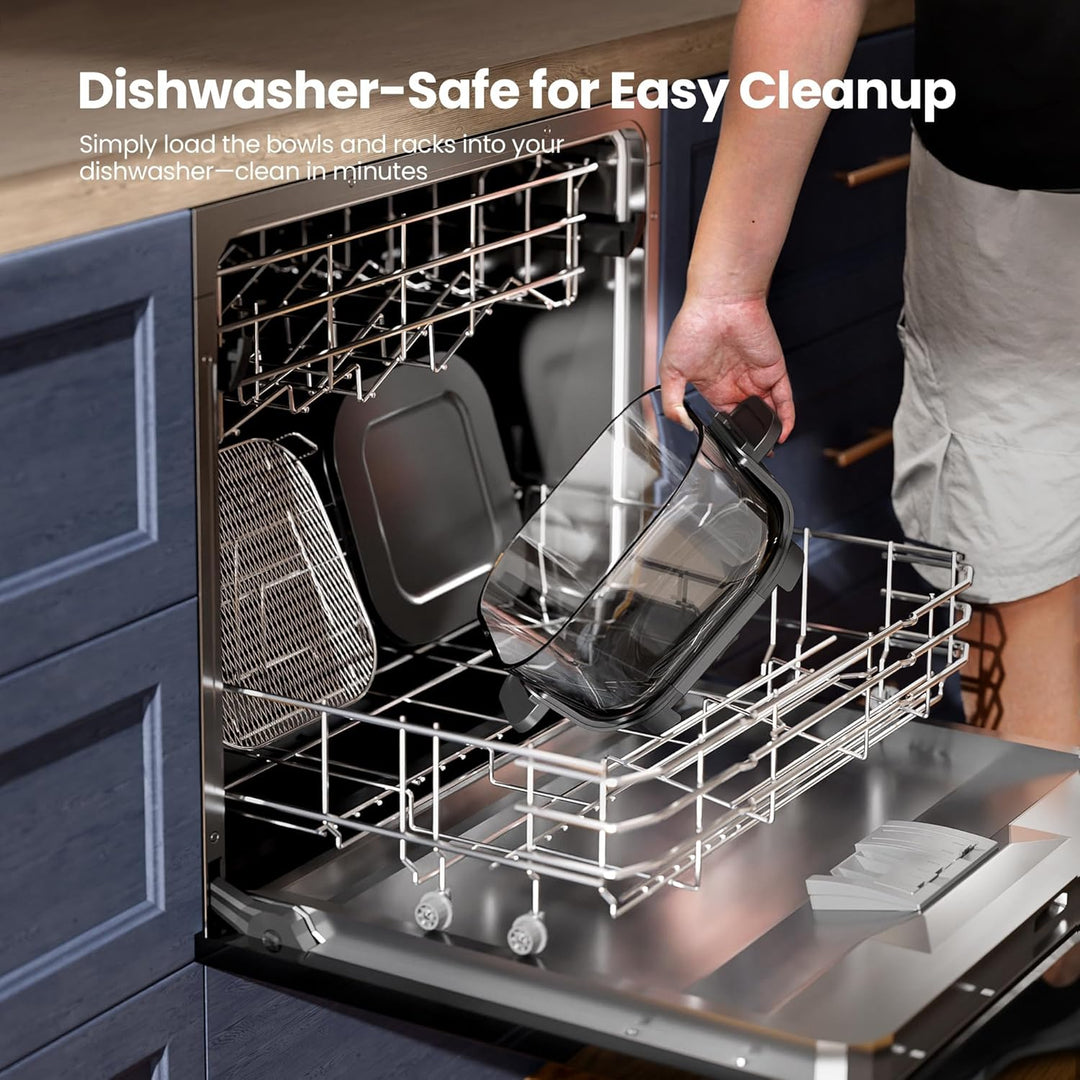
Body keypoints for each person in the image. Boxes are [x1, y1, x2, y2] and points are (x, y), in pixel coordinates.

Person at [659, 0, 1079, 991]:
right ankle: (1049, 952)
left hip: (1025, 150)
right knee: (1021, 553)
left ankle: (1044, 961)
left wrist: (728, 284)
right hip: (1025, 146)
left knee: (1021, 546)